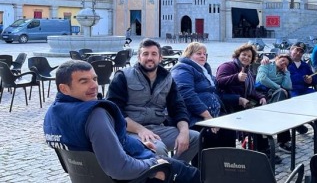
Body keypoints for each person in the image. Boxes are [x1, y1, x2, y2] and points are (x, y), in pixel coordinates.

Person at [45, 60, 200, 182]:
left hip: (92, 176)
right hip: (134, 175)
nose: (94, 86)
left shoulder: (52, 114)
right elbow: (119, 168)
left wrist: (137, 146)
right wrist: (155, 166)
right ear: (64, 88)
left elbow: (94, 148)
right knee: (195, 175)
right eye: (83, 81)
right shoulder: (95, 114)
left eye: (94, 78)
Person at [106, 38, 200, 164]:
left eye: (154, 54)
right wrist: (140, 130)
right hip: (130, 130)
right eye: (145, 54)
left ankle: (174, 171)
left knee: (195, 137)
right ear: (139, 57)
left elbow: (178, 107)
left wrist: (184, 132)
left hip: (158, 128)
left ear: (160, 58)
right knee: (158, 148)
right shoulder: (123, 76)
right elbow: (114, 111)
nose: (150, 57)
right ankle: (162, 173)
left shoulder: (168, 79)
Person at [170, 42, 236, 149]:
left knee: (229, 130)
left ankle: (225, 164)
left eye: (204, 54)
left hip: (211, 114)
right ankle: (204, 165)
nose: (202, 56)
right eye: (198, 53)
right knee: (212, 136)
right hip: (193, 116)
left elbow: (214, 91)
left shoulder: (204, 70)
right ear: (189, 55)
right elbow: (186, 94)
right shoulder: (182, 69)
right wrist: (207, 116)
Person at [256, 54, 295, 153]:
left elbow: (288, 86)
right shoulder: (267, 65)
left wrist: (286, 73)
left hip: (275, 96)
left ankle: (282, 139)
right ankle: (283, 141)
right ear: (277, 59)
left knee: (282, 109)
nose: (283, 63)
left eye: (286, 63)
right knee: (282, 108)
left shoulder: (283, 73)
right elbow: (262, 78)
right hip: (261, 94)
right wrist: (278, 87)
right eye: (282, 60)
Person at [215, 43, 266, 112]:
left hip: (243, 102)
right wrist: (236, 77)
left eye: (249, 56)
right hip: (228, 103)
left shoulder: (248, 71)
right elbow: (219, 82)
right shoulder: (227, 66)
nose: (246, 57)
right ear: (238, 55)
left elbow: (250, 91)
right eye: (244, 54)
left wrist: (260, 97)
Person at [287, 41, 316, 135]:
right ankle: (297, 124)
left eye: (301, 52)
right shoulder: (285, 62)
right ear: (291, 50)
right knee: (295, 101)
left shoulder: (305, 65)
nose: (298, 53)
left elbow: (315, 78)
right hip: (291, 91)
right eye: (296, 50)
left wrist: (311, 80)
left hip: (304, 90)